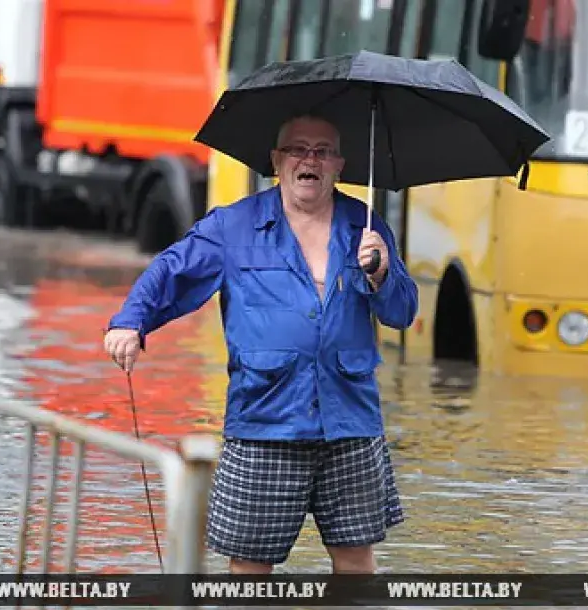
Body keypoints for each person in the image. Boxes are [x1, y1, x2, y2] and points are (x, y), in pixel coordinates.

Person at [103, 114, 419, 574]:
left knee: (356, 563)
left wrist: (382, 274)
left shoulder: (365, 228)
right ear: (276, 161)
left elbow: (403, 313)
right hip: (265, 423)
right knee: (250, 569)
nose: (309, 159)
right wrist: (131, 323)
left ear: (339, 165)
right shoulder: (233, 227)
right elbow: (172, 270)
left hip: (350, 422)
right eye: (297, 149)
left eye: (322, 151)